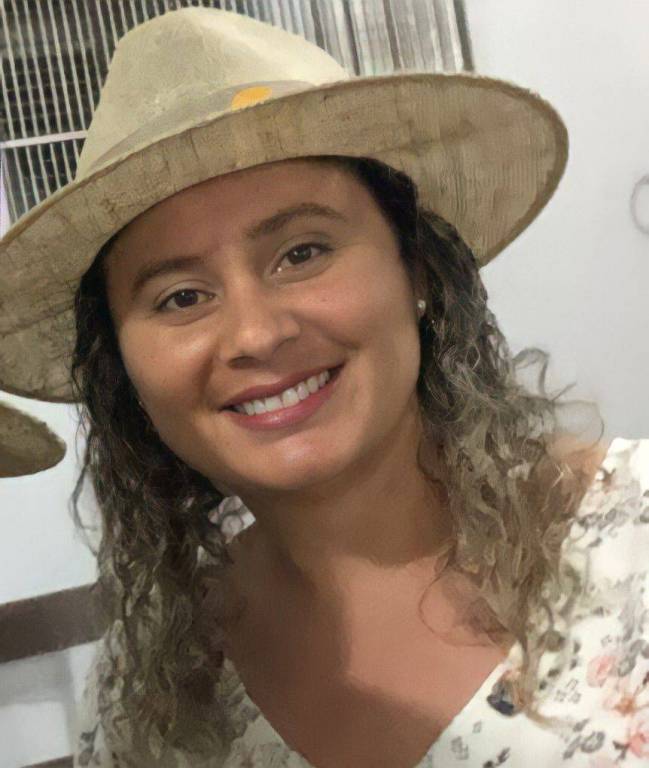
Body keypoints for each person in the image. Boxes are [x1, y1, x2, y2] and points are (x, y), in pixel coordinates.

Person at [0, 7, 647, 768]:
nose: (255, 334)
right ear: (125, 373)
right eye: (181, 297)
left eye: (302, 252)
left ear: (416, 270)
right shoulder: (156, 684)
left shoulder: (631, 539)